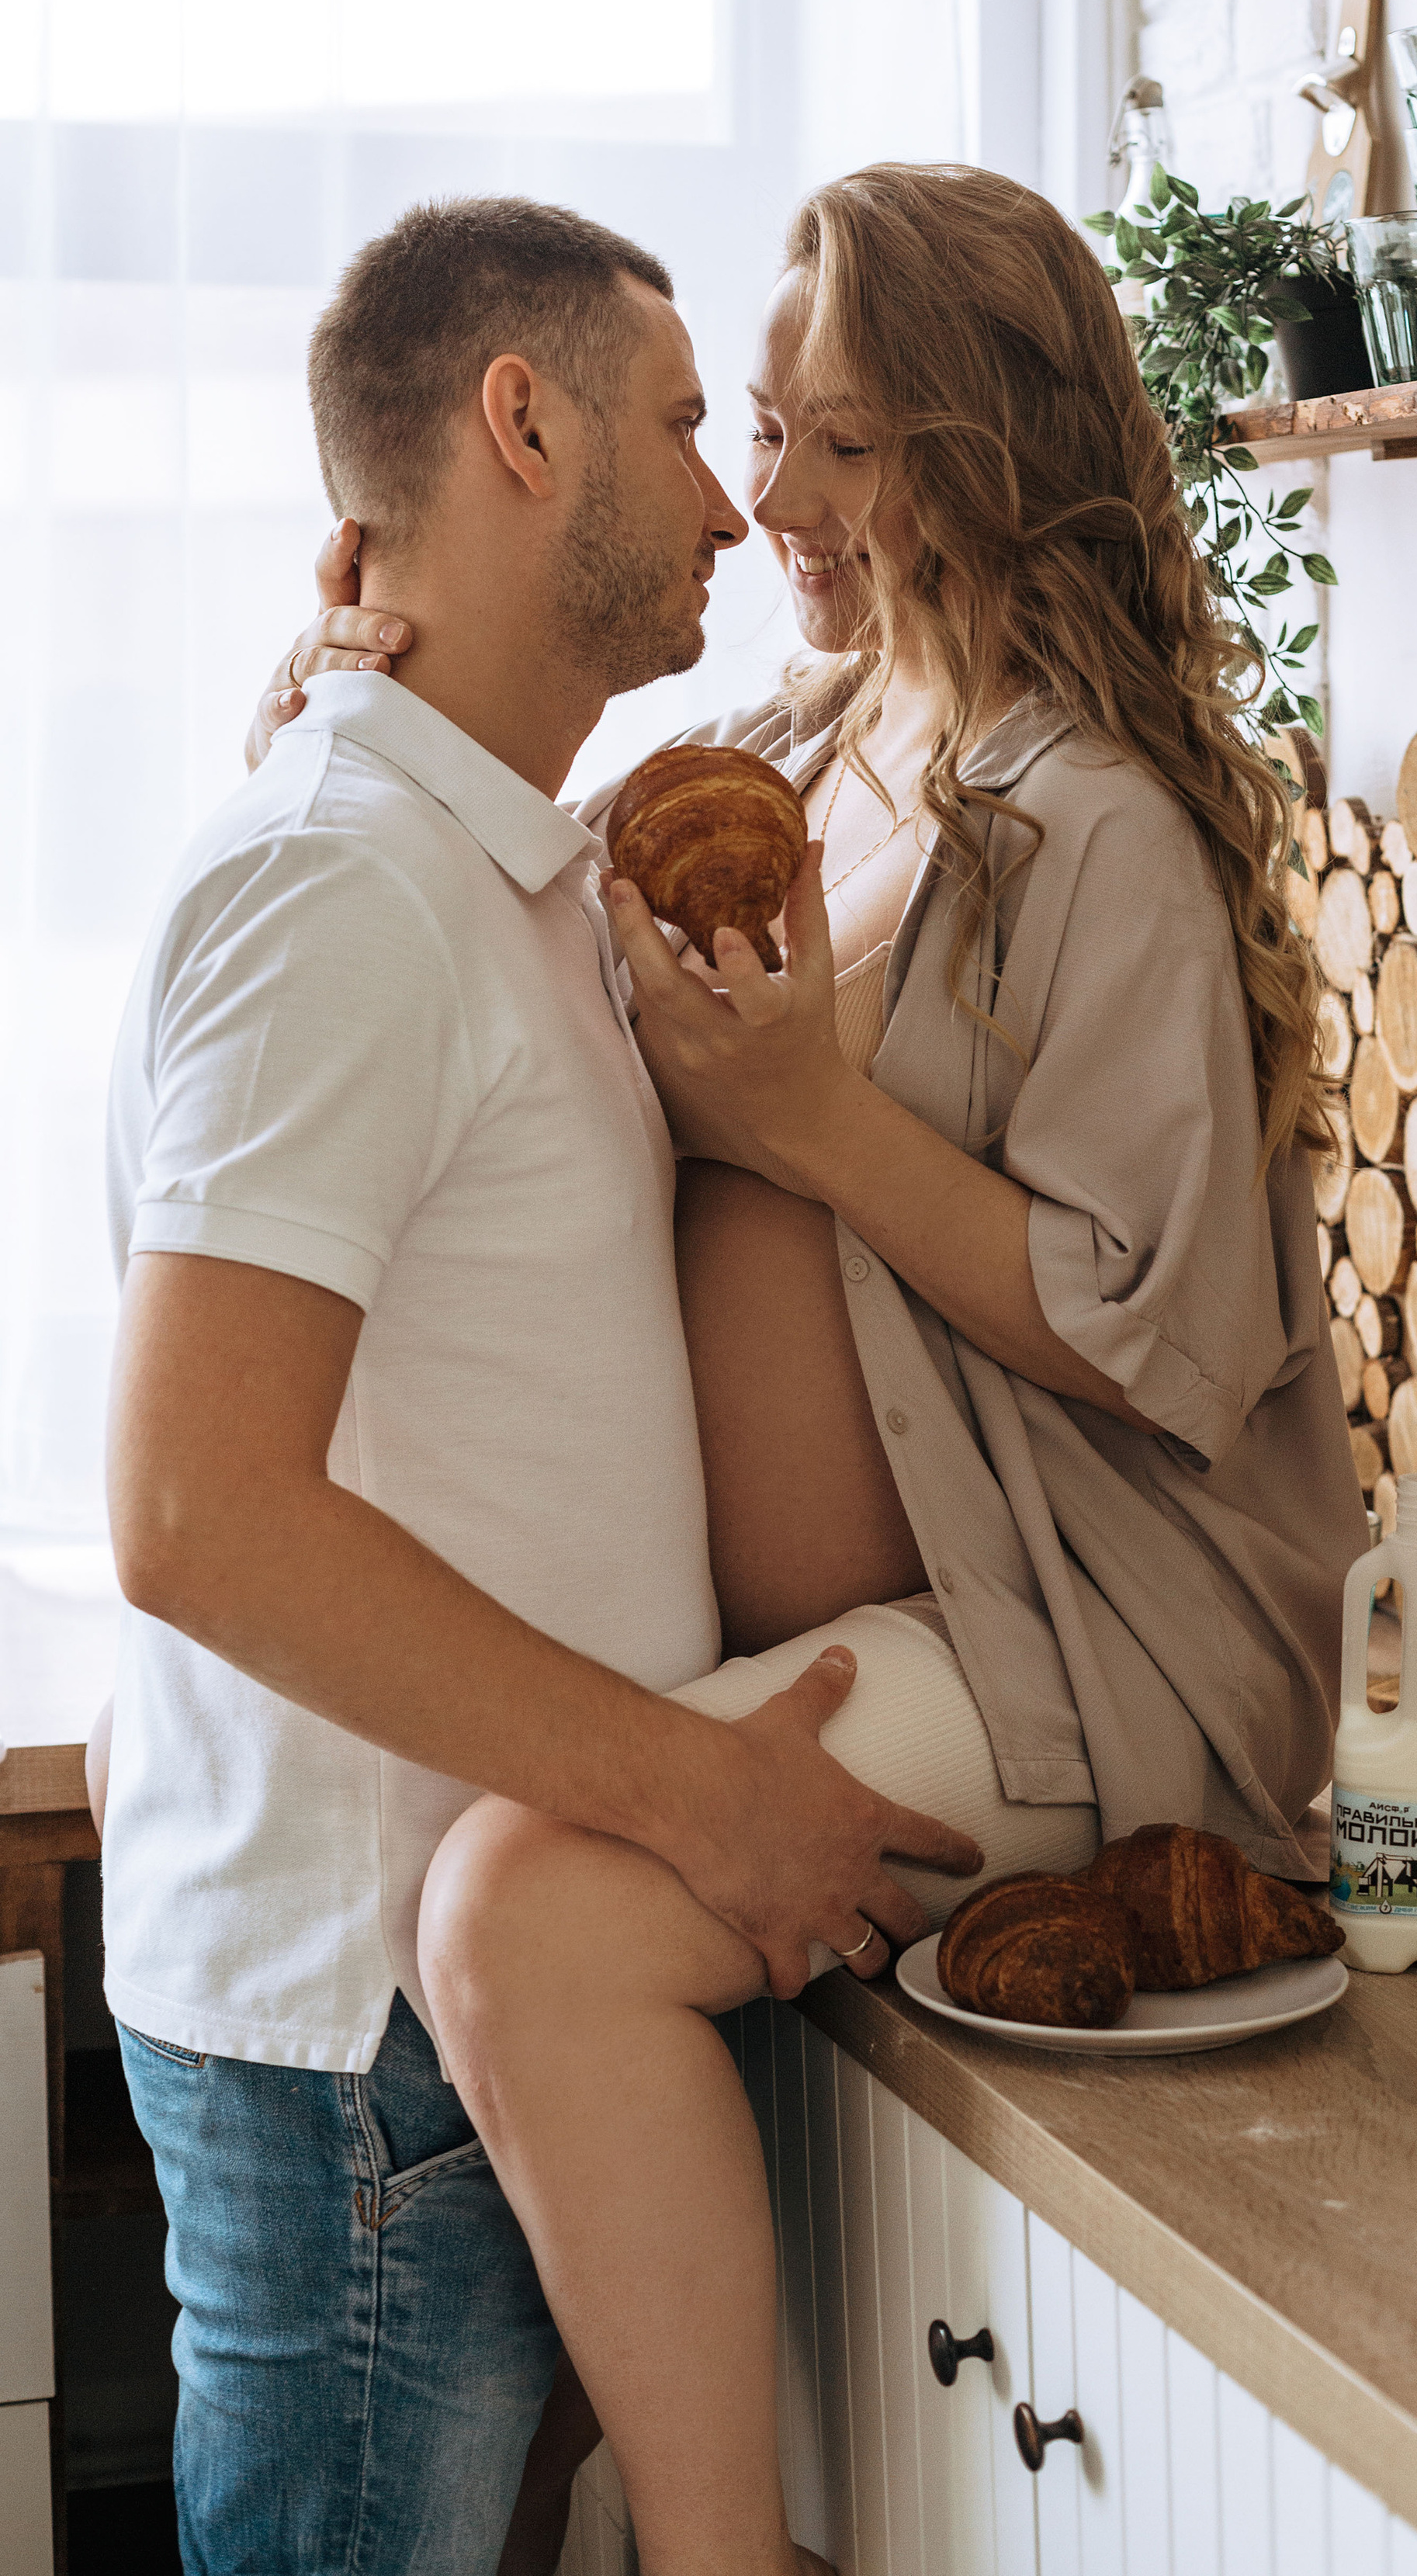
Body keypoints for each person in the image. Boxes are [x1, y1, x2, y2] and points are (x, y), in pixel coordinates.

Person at [245, 162, 1371, 2572]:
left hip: (1066, 1630)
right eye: (756, 434)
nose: (770, 504)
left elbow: (1150, 1329)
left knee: (517, 1923)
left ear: (978, 441)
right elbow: (485, 886)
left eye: (834, 444)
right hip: (860, 1632)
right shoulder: (821, 734)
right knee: (503, 1915)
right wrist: (346, 670)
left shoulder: (1100, 823)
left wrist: (815, 1128)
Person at [98, 197, 986, 2576]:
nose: (726, 497)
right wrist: (694, 1800)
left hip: (465, 2004)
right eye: (688, 424)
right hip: (363, 2038)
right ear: (521, 425)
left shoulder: (475, 863)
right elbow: (195, 1510)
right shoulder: (348, 887)